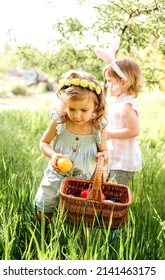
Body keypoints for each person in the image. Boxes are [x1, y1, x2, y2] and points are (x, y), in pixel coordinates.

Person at [34, 70, 108, 226]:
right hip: (57, 175)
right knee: (45, 205)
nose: (77, 115)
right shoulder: (60, 121)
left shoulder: (98, 127)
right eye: (72, 109)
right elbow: (44, 143)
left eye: (84, 110)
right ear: (64, 105)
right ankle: (43, 235)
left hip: (84, 179)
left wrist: (103, 157)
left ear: (96, 106)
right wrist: (53, 155)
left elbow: (104, 151)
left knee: (80, 214)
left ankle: (79, 243)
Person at [95, 41, 142, 186]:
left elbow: (134, 131)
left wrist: (110, 134)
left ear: (123, 82)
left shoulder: (126, 106)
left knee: (115, 194)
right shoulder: (117, 102)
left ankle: (116, 209)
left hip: (123, 162)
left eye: (109, 81)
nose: (107, 85)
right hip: (115, 158)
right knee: (107, 190)